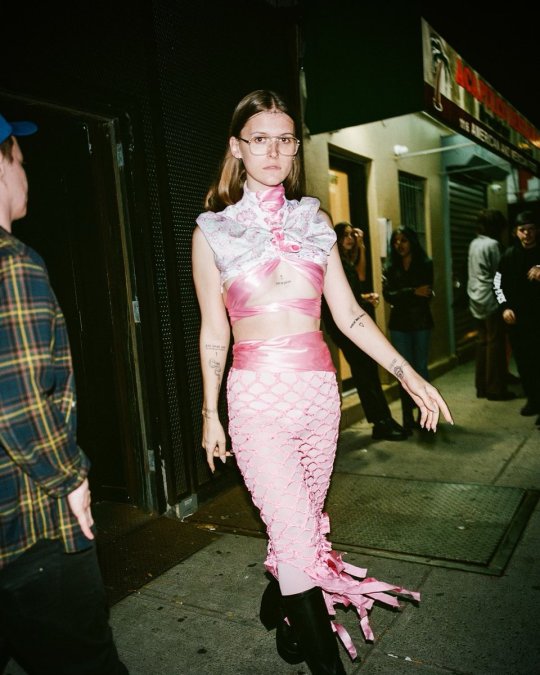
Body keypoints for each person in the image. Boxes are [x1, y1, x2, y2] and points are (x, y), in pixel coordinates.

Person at [192, 90, 453, 673]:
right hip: (256, 399)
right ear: (237, 148)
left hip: (317, 396)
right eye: (260, 139)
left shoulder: (314, 222)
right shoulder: (213, 231)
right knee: (293, 532)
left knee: (302, 528)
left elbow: (351, 316)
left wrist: (408, 375)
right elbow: (214, 330)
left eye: (285, 139)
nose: (274, 151)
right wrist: (210, 413)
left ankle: (282, 604)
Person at [0, 113, 128, 674]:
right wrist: (72, 479)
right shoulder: (13, 265)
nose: (25, 174)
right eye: (20, 161)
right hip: (29, 524)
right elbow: (16, 403)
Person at [322, 222, 406, 441]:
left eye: (352, 235)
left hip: (352, 324)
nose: (350, 238)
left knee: (368, 370)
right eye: (346, 235)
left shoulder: (345, 262)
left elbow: (358, 278)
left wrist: (362, 247)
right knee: (364, 373)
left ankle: (383, 420)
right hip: (344, 327)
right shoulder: (333, 261)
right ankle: (381, 422)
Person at [382, 226, 434, 433]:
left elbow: (426, 293)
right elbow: (389, 295)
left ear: (411, 241)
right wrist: (412, 292)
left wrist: (403, 295)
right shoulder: (390, 267)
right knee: (403, 372)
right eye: (396, 241)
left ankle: (425, 413)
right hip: (400, 325)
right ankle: (407, 417)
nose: (399, 245)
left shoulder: (425, 263)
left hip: (421, 322)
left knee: (420, 369)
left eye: (403, 240)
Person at [494, 211, 540, 425]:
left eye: (531, 229)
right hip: (518, 321)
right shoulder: (508, 256)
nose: (527, 234)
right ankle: (533, 400)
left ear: (537, 231)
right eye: (523, 230)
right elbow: (497, 284)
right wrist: (504, 307)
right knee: (524, 362)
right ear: (516, 232)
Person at [467, 209, 516, 401]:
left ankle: (481, 387)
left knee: (482, 342)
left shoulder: (474, 243)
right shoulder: (493, 245)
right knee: (495, 343)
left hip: (475, 297)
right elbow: (499, 273)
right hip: (490, 297)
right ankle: (495, 388)